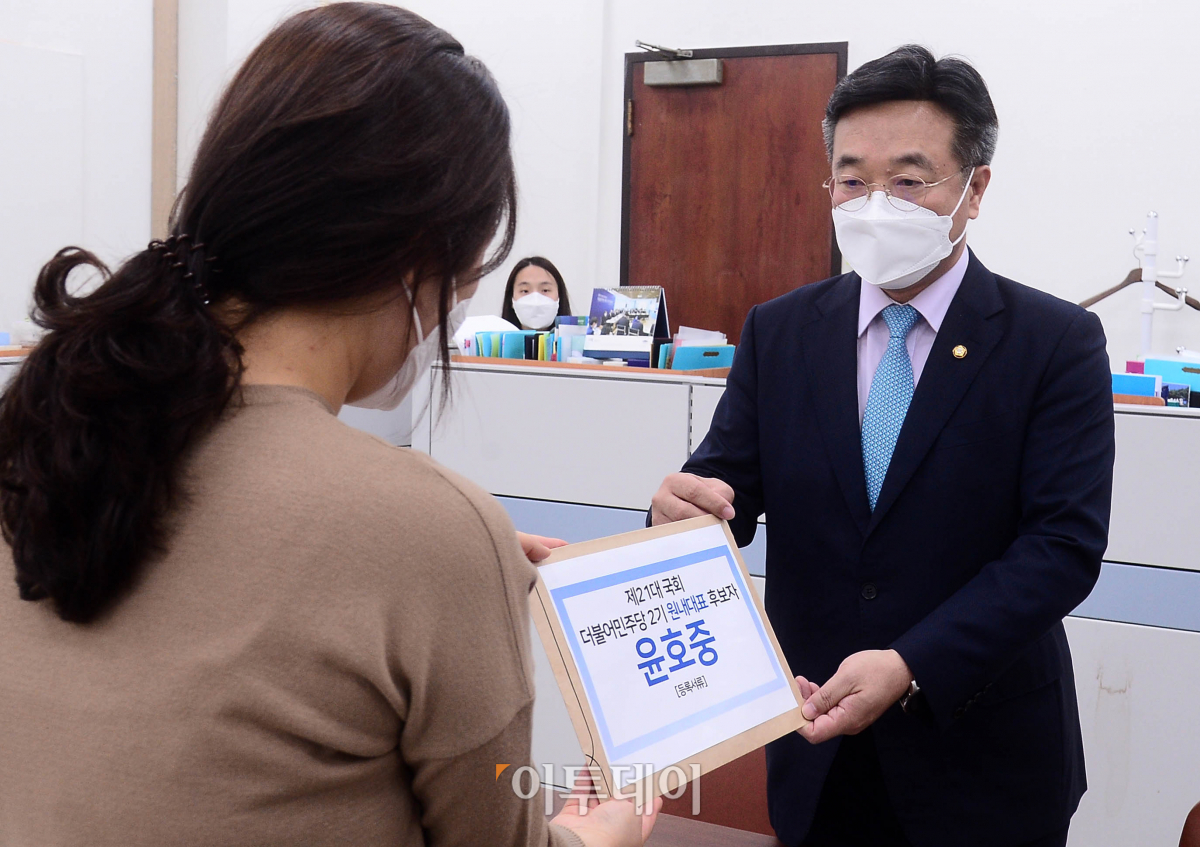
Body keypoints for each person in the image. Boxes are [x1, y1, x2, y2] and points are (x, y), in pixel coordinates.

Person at [0, 5, 658, 846]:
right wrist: (601, 833)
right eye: (467, 280)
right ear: (419, 256)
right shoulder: (427, 526)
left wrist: (450, 558)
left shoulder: (44, 434)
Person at [649, 45, 1114, 847]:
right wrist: (676, 513)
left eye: (907, 181)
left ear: (974, 190)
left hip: (984, 761)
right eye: (852, 179)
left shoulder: (1053, 342)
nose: (874, 205)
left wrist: (912, 662)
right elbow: (725, 490)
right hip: (819, 746)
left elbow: (1061, 547)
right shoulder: (782, 331)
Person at [501, 256, 573, 330]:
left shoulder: (577, 337)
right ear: (511, 299)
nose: (536, 300)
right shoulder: (496, 336)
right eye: (525, 291)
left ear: (559, 296)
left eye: (545, 290)